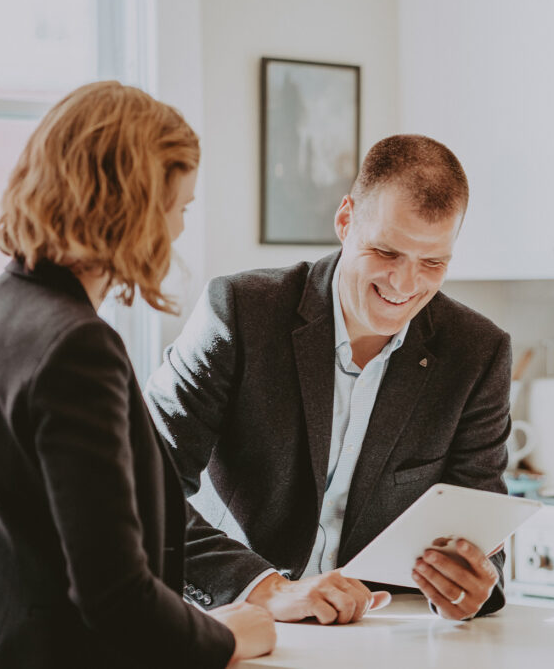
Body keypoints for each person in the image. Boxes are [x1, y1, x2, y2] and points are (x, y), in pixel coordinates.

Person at [145, 134, 511, 625]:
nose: (404, 284)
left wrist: (473, 585)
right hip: (237, 625)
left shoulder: (477, 352)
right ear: (345, 221)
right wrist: (265, 589)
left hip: (381, 639)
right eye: (386, 251)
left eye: (432, 263)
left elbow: (477, 530)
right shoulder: (238, 312)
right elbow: (145, 488)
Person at [0, 81, 276, 668]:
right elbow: (113, 596)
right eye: (180, 207)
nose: (181, 230)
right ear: (134, 207)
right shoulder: (77, 347)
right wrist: (229, 636)